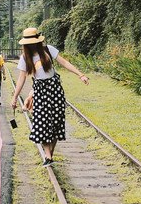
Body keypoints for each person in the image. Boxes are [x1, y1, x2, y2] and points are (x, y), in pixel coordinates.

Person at [10, 27, 89, 166]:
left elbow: (64, 62)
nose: (32, 45)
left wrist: (80, 74)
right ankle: (48, 156)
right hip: (40, 93)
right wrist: (15, 97)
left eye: (34, 42)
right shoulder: (24, 58)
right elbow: (22, 79)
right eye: (29, 43)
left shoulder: (48, 50)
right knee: (41, 123)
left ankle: (49, 154)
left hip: (55, 90)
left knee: (56, 123)